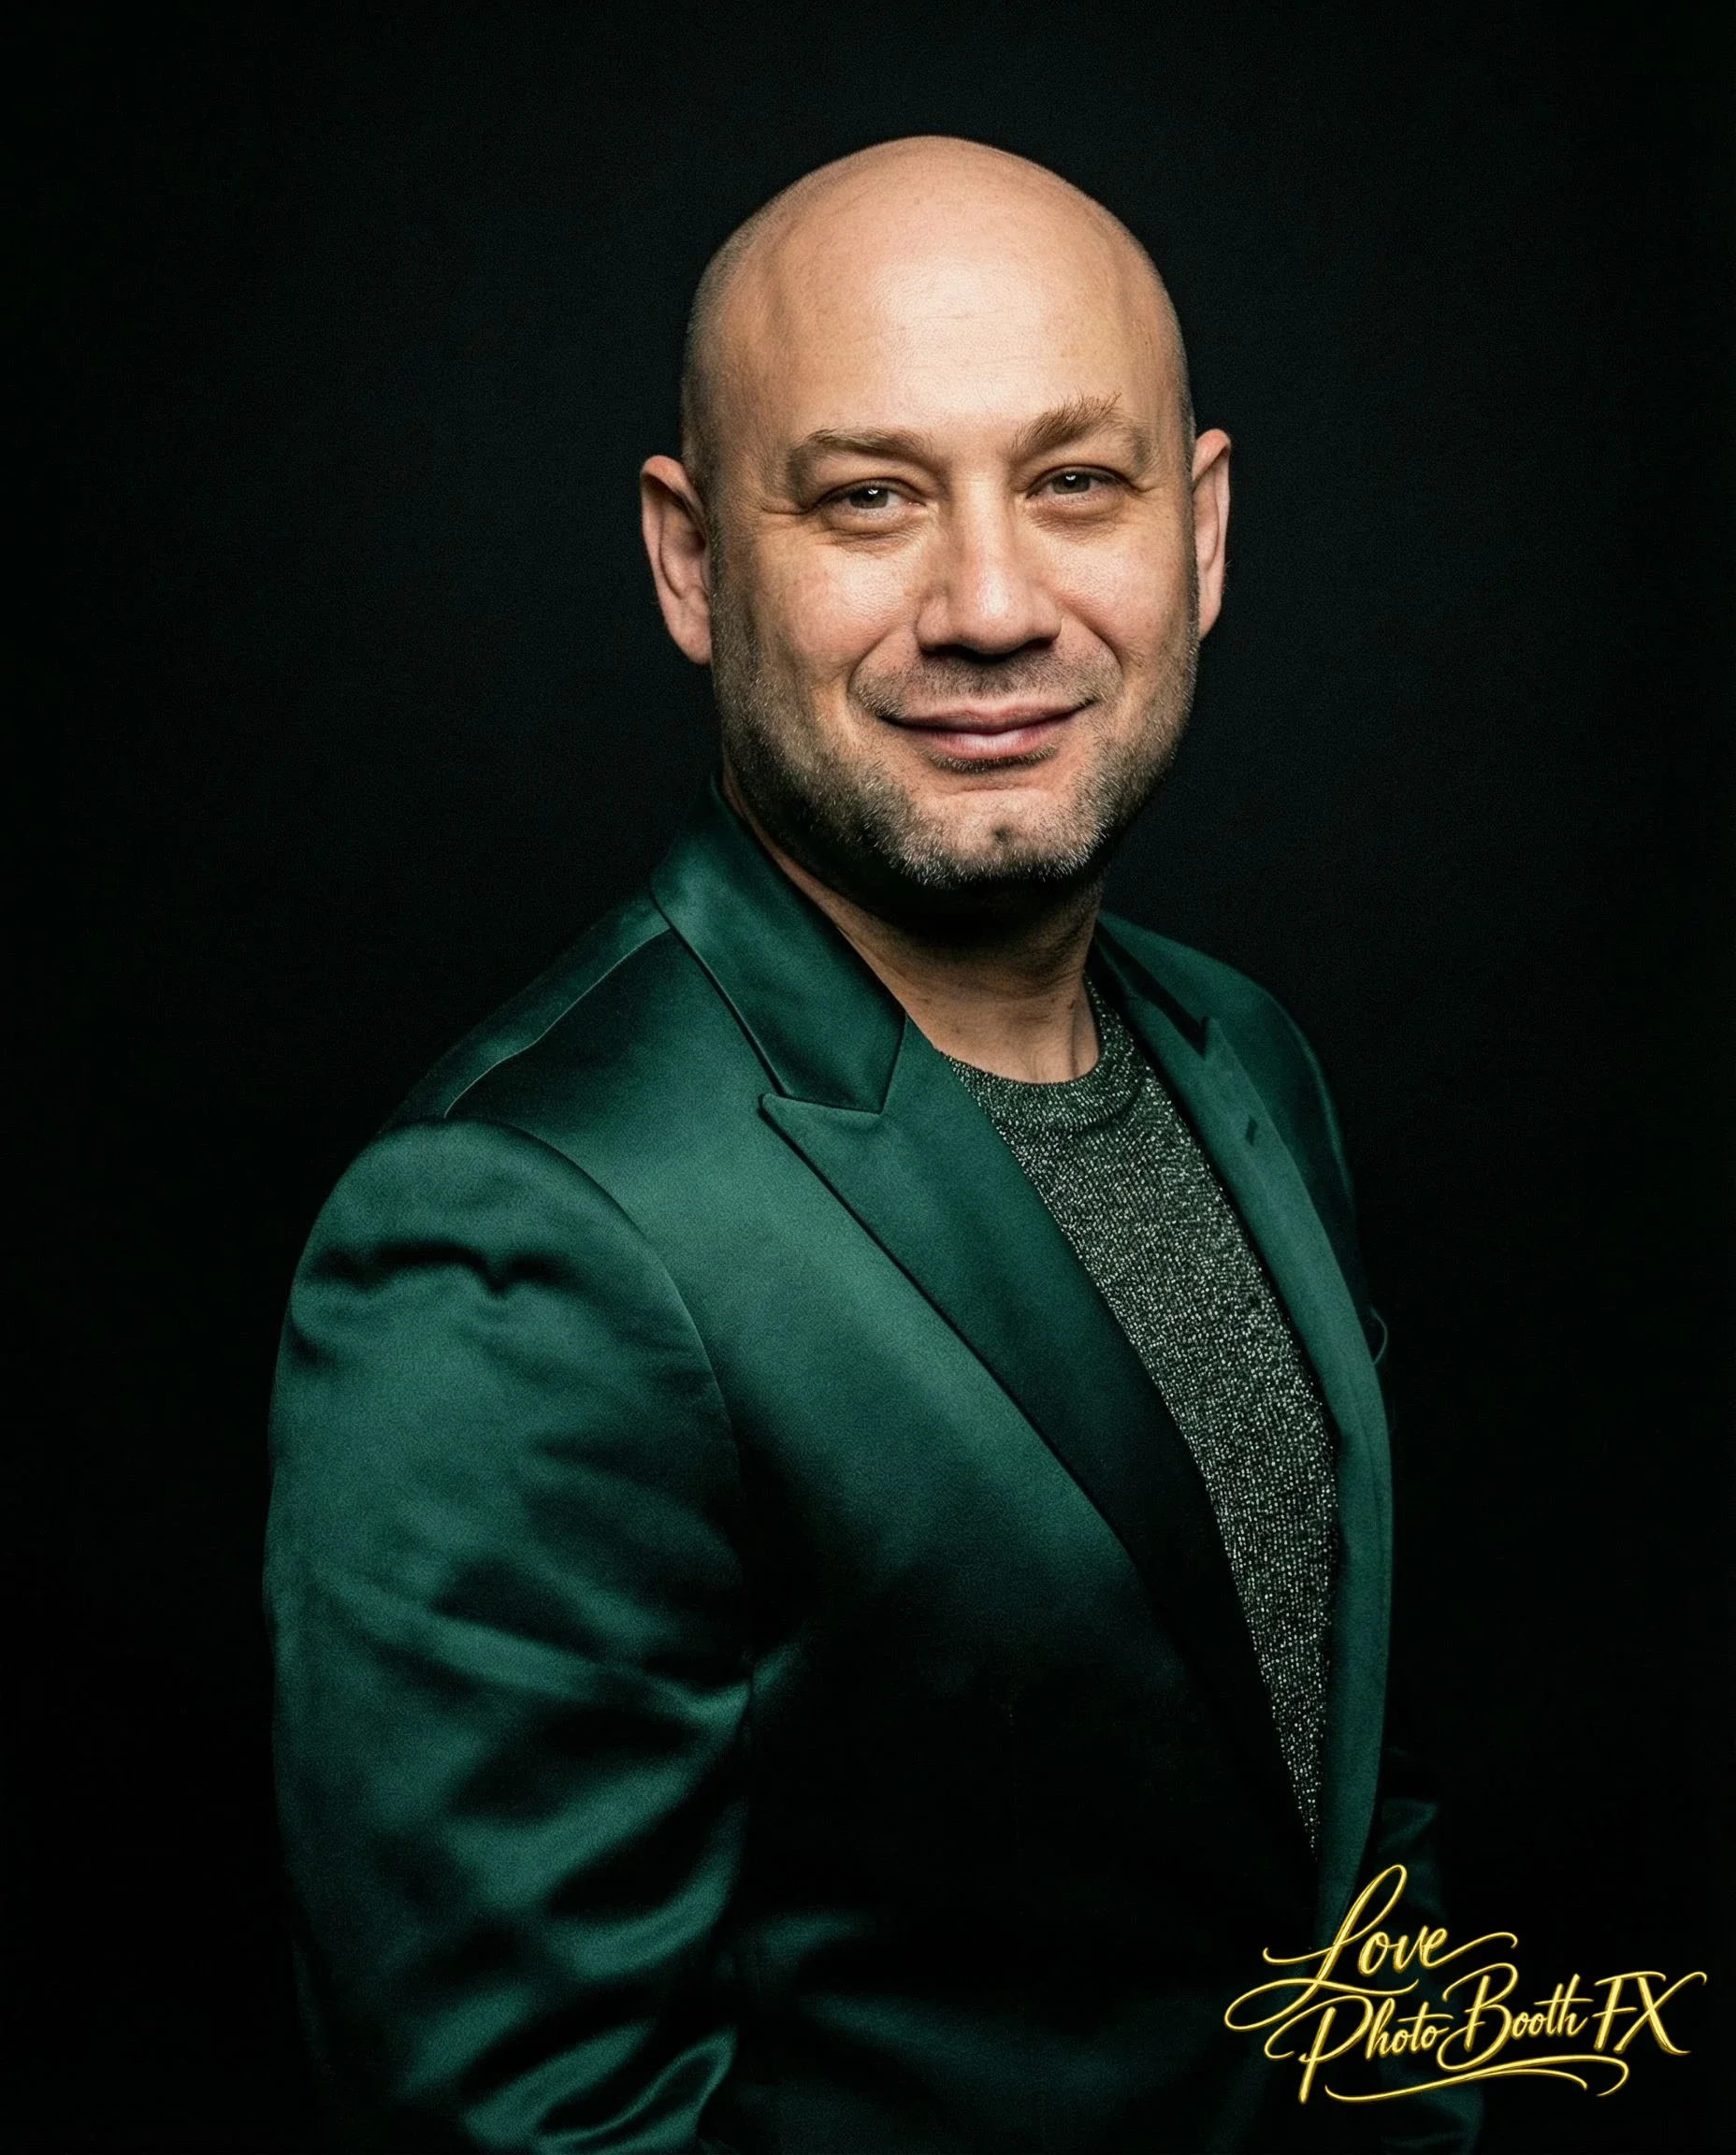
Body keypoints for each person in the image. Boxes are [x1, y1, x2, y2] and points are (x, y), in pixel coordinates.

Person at [267, 136, 1477, 2154]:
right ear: (690, 561)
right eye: (868, 498)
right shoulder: (517, 1234)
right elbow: (532, 2125)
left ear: (1199, 532)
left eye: (1072, 482)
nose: (990, 605)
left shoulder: (1246, 1055)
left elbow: (1338, 1796)